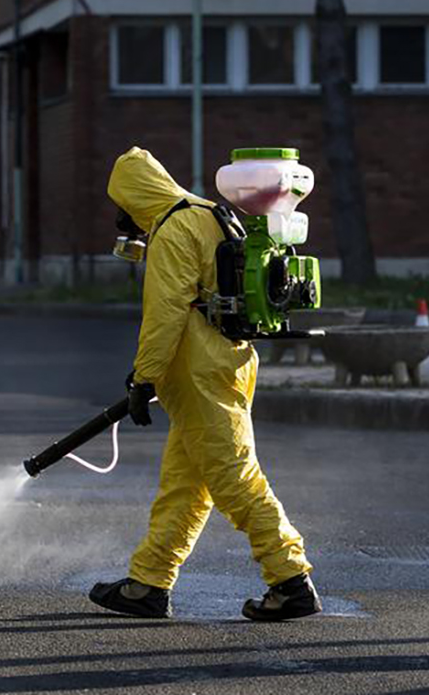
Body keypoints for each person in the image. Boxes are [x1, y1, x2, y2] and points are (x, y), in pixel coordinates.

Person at [88, 146, 321, 621]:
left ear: (136, 195)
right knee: (185, 484)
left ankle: (290, 580)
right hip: (224, 361)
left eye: (122, 203)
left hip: (199, 372)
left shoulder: (174, 229)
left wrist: (143, 376)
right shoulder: (208, 212)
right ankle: (148, 582)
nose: (122, 215)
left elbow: (165, 312)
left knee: (235, 476)